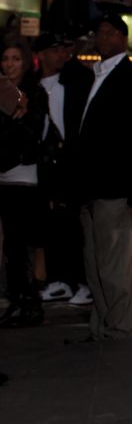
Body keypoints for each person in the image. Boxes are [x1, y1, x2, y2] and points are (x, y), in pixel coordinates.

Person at [68, 15, 132, 342]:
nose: (101, 38)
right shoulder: (97, 76)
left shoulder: (131, 80)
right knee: (95, 265)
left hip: (117, 188)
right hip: (93, 187)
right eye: (99, 32)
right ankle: (103, 323)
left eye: (108, 33)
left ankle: (118, 327)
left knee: (115, 267)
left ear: (123, 38)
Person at [34, 34, 94, 309]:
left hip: (69, 163)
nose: (61, 55)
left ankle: (81, 281)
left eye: (64, 49)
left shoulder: (73, 81)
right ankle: (60, 280)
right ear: (42, 54)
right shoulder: (32, 85)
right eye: (54, 50)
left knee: (71, 224)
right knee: (50, 223)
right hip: (43, 163)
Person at [0, 39, 48, 328]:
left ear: (26, 62)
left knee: (21, 242)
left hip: (24, 174)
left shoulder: (33, 91)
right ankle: (18, 298)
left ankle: (29, 300)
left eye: (15, 59)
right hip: (3, 173)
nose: (9, 64)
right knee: (11, 245)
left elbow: (31, 132)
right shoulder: (4, 91)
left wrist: (16, 119)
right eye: (5, 59)